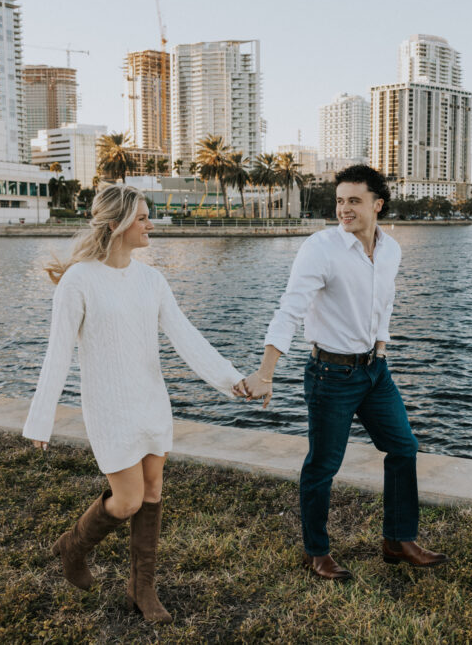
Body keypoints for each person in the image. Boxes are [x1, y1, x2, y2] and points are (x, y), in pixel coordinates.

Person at [22, 185, 247, 623]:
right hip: (109, 407)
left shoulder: (152, 280)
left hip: (150, 401)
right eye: (143, 217)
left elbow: (186, 338)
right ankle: (73, 546)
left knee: (153, 493)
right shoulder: (79, 280)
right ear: (117, 225)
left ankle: (142, 589)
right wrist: (40, 420)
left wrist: (231, 380)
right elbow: (58, 353)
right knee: (126, 501)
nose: (150, 224)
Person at [243, 164, 447, 581]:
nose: (344, 209)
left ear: (378, 205)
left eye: (354, 201)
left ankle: (398, 540)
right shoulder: (321, 248)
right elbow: (290, 310)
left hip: (375, 372)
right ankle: (316, 552)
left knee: (404, 447)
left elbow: (382, 304)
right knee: (323, 465)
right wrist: (266, 371)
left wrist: (382, 344)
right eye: (340, 201)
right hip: (329, 374)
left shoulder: (391, 250)